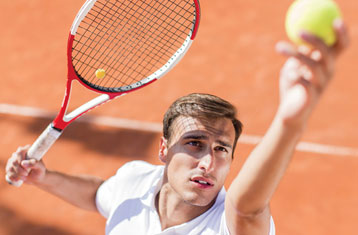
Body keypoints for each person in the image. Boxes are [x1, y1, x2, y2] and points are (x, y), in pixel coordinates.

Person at [5, 19, 349, 235]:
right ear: (164, 150)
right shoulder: (135, 184)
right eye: (195, 143)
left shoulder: (229, 225)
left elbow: (248, 207)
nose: (208, 163)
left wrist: (289, 122)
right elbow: (100, 195)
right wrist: (44, 178)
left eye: (221, 149)